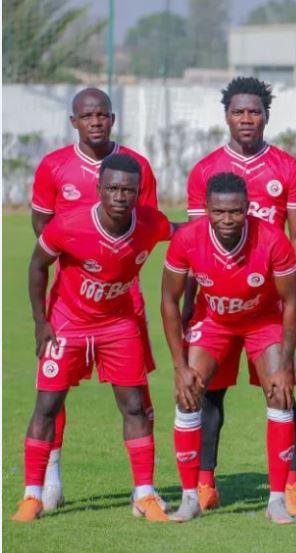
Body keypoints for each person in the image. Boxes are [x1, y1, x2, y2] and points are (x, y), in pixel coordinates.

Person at [13, 154, 171, 522]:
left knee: (134, 406)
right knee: (47, 407)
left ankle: (144, 494)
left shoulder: (150, 222)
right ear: (99, 189)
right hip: (67, 324)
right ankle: (32, 495)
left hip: (118, 325)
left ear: (138, 193)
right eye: (112, 188)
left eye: (128, 190)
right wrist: (40, 321)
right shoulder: (69, 224)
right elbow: (37, 265)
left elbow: (184, 232)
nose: (120, 196)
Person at [28, 88, 159, 511]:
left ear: (113, 119)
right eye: (88, 116)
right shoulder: (54, 166)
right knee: (54, 391)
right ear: (75, 122)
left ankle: (144, 489)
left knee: (136, 394)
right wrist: (84, 259)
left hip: (125, 296)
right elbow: (42, 228)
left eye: (103, 114)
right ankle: (50, 480)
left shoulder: (137, 165)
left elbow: (151, 224)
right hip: (72, 293)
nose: (96, 122)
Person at [184, 76, 296, 514]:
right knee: (208, 392)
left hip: (270, 306)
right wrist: (189, 306)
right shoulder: (204, 171)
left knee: (281, 389)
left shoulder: (288, 169)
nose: (246, 118)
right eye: (238, 111)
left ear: (266, 116)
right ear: (226, 116)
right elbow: (195, 244)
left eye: (254, 111)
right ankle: (205, 482)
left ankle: (290, 483)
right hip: (216, 305)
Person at [161, 172, 296, 524]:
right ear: (206, 208)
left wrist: (285, 365)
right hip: (214, 320)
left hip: (262, 320)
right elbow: (168, 300)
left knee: (280, 394)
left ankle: (277, 499)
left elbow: (292, 302)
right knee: (189, 394)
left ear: (248, 208)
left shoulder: (272, 239)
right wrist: (179, 367)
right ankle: (190, 498)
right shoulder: (187, 239)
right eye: (219, 212)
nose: (227, 219)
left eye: (236, 212)